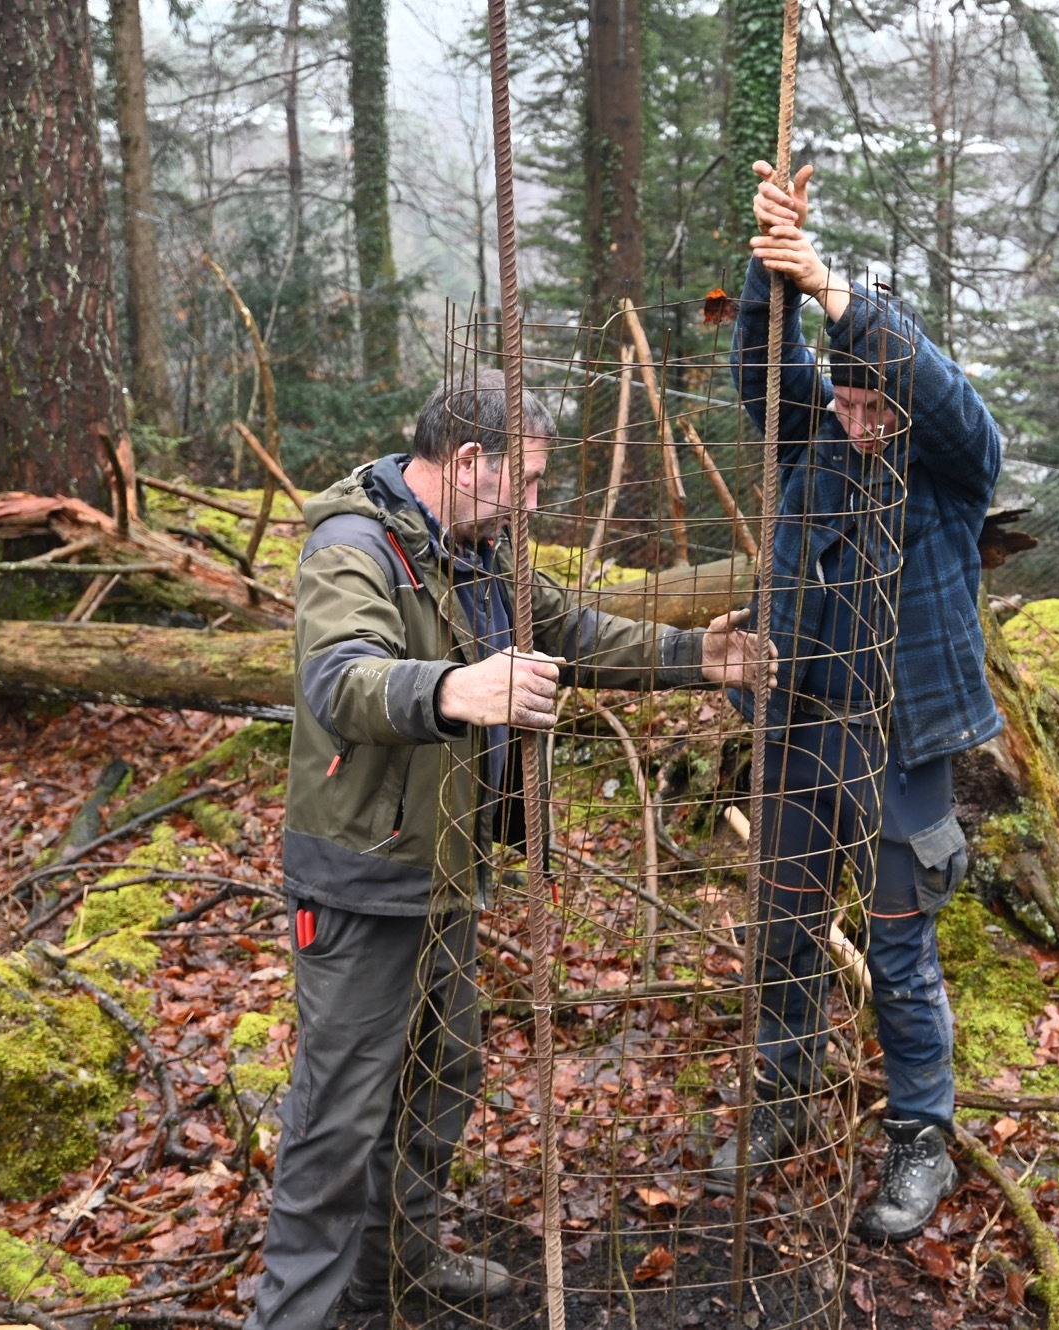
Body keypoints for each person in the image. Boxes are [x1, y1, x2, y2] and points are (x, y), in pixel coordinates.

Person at [245, 368, 773, 1330]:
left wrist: (699, 659)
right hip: (365, 879)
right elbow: (340, 679)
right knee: (337, 1124)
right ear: (471, 459)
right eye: (526, 481)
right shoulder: (354, 546)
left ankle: (393, 1274)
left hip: (447, 870)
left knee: (441, 1078)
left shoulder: (480, 549)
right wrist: (455, 691)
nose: (536, 501)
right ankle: (296, 1318)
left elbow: (572, 630)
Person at [711, 160, 1003, 1244]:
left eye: (872, 389)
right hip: (798, 725)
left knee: (897, 947)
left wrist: (836, 290)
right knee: (783, 927)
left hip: (900, 741)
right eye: (843, 387)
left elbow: (955, 404)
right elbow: (763, 362)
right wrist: (770, 255)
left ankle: (919, 1137)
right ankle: (784, 1099)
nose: (854, 408)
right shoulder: (813, 442)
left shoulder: (949, 464)